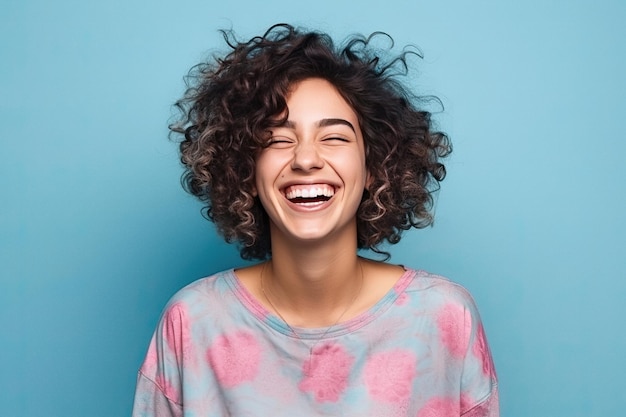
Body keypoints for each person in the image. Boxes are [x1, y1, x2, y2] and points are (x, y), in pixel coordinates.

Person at [132, 23, 499, 416]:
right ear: (245, 169)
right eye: (277, 140)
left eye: (334, 138)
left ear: (374, 166)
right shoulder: (192, 323)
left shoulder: (444, 318)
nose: (306, 160)